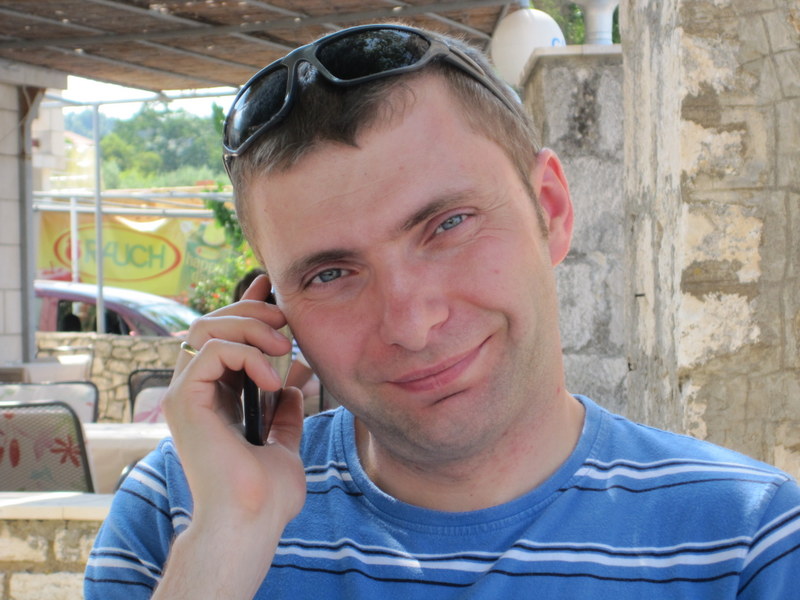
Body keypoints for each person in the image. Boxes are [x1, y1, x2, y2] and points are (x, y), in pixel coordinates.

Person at [84, 23, 800, 599]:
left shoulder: (750, 541)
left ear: (550, 211)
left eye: (449, 225)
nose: (410, 324)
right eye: (330, 274)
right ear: (273, 309)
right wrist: (225, 541)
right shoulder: (178, 513)